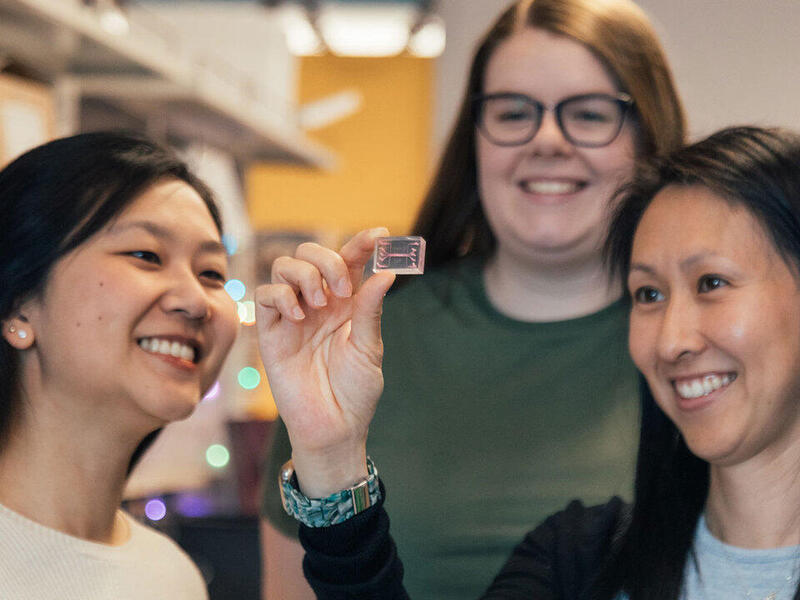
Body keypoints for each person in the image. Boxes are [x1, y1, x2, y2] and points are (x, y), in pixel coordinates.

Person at [257, 125, 800, 599]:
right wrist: (332, 458)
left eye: (712, 283)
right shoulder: (580, 558)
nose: (671, 341)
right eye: (648, 294)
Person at [259, 0, 685, 597]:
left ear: (649, 137)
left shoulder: (700, 348)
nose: (547, 140)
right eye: (513, 112)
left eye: (589, 114)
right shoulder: (357, 343)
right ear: (474, 138)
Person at [0, 132, 239, 599]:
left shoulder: (173, 579)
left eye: (211, 273)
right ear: (19, 306)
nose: (196, 301)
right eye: (146, 255)